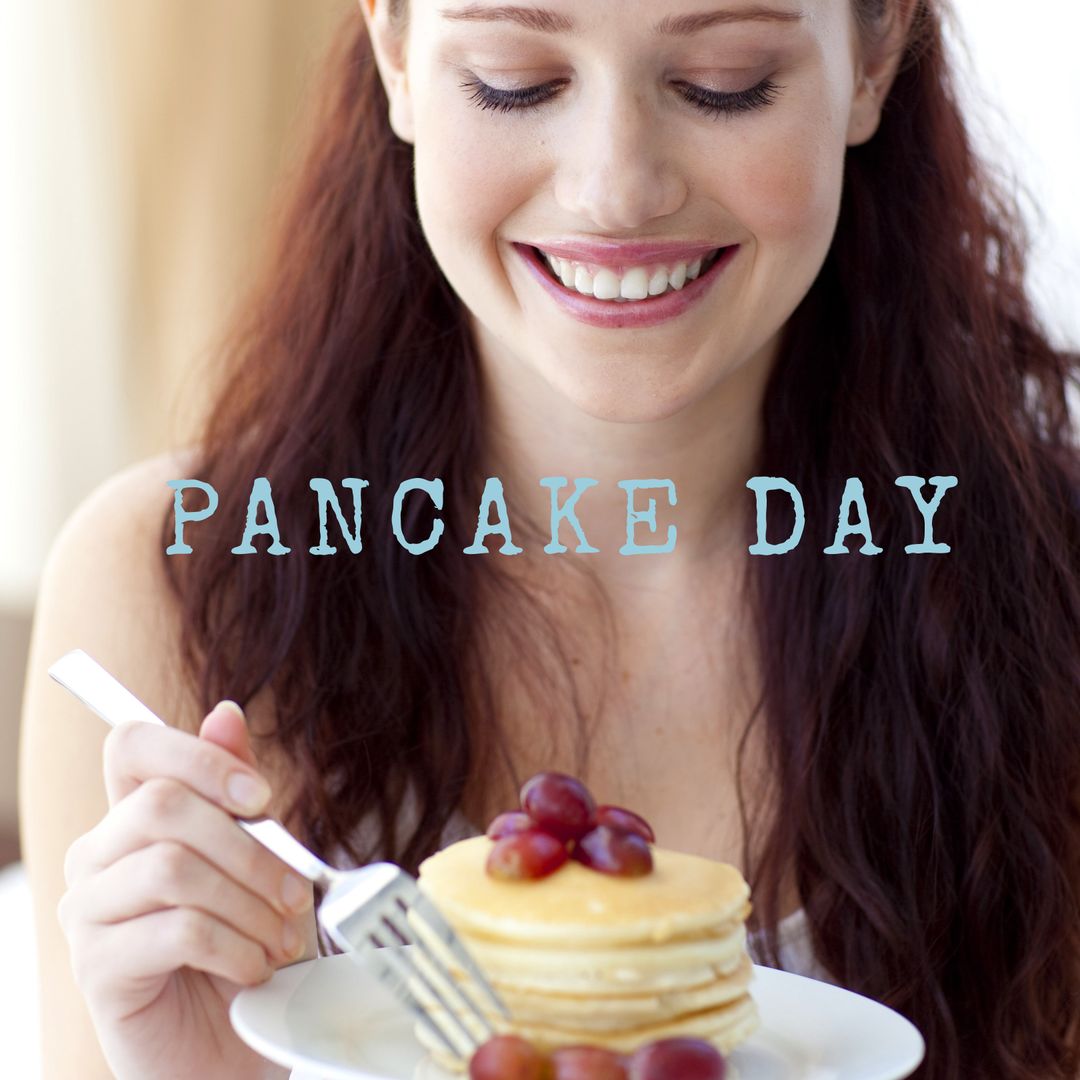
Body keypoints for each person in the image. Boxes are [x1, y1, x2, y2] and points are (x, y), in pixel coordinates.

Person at [19, 0, 1080, 1077]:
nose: (615, 188)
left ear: (873, 53)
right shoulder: (163, 587)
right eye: (516, 78)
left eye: (724, 79)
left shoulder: (1055, 604)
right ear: (395, 45)